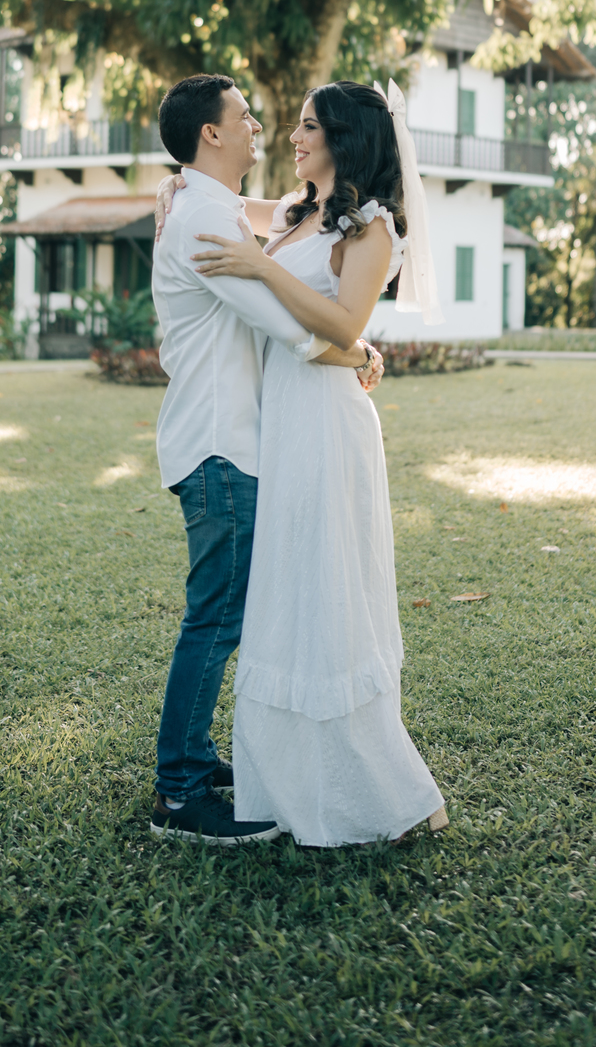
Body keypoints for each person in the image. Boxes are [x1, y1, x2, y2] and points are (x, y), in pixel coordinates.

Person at [187, 79, 448, 846]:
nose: (292, 138)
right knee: (286, 591)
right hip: (281, 420)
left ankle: (385, 794)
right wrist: (177, 188)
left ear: (343, 138)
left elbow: (344, 320)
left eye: (307, 127)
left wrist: (261, 270)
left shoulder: (374, 232)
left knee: (328, 595)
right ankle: (285, 783)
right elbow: (228, 210)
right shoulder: (298, 213)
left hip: (329, 425)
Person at [149, 74, 383, 846]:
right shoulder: (202, 225)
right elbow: (288, 327)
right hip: (220, 444)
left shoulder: (207, 206)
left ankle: (196, 755)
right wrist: (358, 348)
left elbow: (287, 222)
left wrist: (356, 342)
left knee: (225, 612)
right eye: (246, 117)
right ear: (212, 135)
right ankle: (181, 791)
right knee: (215, 619)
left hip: (232, 440)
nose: (267, 128)